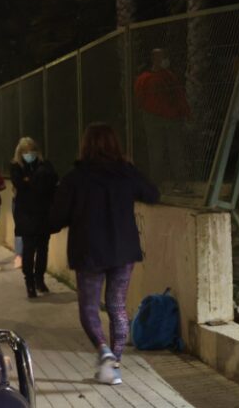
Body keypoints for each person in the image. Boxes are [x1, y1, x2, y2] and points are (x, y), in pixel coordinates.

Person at [49, 123, 159, 385]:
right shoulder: (126, 173)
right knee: (117, 306)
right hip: (123, 251)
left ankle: (104, 351)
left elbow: (55, 219)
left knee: (89, 307)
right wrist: (130, 173)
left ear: (85, 145)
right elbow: (153, 193)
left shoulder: (74, 178)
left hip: (89, 252)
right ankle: (115, 366)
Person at [134, 48, 190, 192]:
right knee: (170, 151)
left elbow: (140, 101)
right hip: (167, 118)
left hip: (157, 119)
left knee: (159, 151)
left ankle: (159, 183)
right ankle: (175, 183)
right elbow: (178, 96)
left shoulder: (146, 79)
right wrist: (184, 112)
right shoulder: (162, 77)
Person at [10, 137, 58, 299]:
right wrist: (34, 181)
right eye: (25, 152)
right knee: (29, 249)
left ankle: (40, 279)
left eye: (31, 151)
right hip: (26, 214)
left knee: (43, 249)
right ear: (20, 152)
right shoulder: (16, 166)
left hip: (43, 214)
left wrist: (30, 181)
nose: (29, 154)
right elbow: (19, 183)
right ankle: (29, 283)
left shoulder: (45, 165)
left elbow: (51, 182)